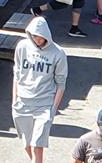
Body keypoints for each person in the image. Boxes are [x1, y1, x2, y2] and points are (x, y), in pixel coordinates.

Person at [12, 16, 68, 163]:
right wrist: (14, 100)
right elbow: (17, 75)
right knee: (27, 144)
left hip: (44, 104)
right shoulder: (22, 47)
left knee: (38, 144)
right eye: (34, 36)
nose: (37, 39)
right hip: (23, 102)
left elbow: (61, 83)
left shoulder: (58, 53)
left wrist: (53, 109)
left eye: (40, 36)